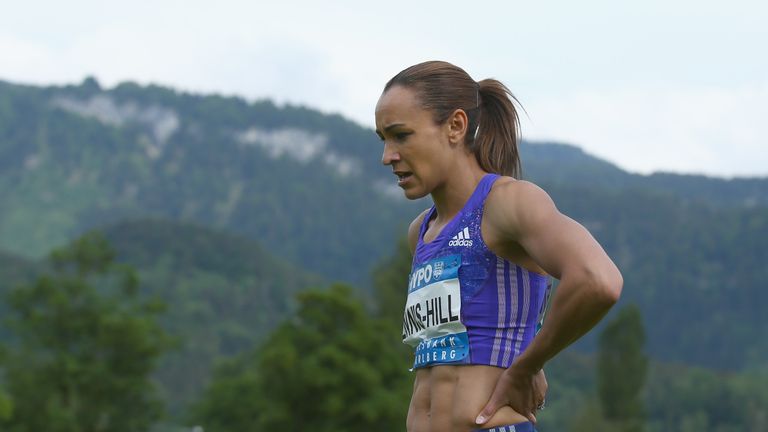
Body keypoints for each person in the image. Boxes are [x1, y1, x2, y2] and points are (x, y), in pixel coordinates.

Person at [374, 61, 623, 432]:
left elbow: (597, 280)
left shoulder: (507, 202)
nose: (388, 156)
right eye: (384, 139)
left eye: (401, 136)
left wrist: (528, 364)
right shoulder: (421, 233)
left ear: (455, 126)